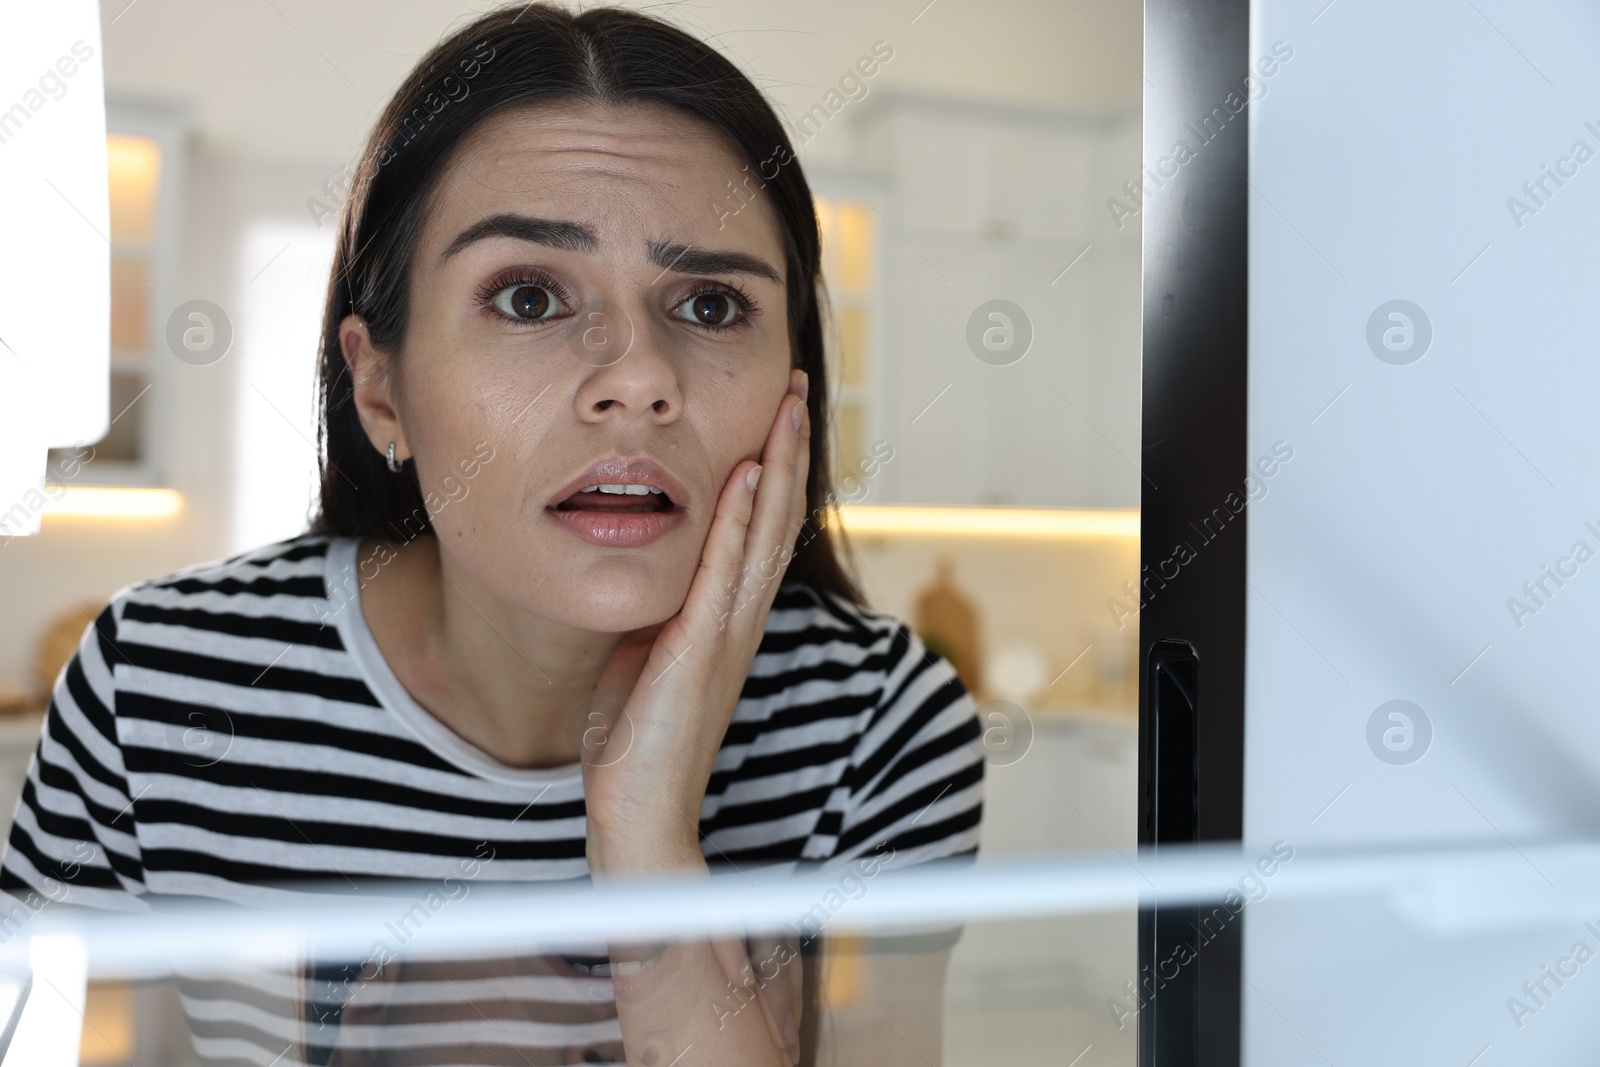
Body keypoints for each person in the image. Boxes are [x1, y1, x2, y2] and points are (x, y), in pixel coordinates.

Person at [1, 4, 984, 1064]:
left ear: (795, 383)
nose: (641, 380)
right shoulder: (162, 688)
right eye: (527, 296)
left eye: (707, 305)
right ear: (379, 385)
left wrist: (649, 835)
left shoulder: (880, 726)